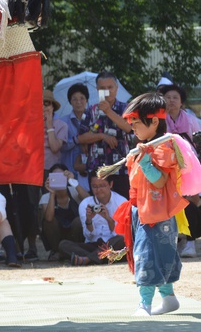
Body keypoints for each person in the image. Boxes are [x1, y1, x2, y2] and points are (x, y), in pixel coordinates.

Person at [119, 92, 188, 316]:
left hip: (157, 215)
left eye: (136, 123)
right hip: (143, 212)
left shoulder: (163, 147)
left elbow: (159, 180)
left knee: (147, 256)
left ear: (154, 121)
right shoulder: (145, 147)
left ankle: (144, 303)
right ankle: (168, 298)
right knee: (156, 255)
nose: (133, 128)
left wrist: (145, 160)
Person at [157, 82, 201, 258]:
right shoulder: (158, 121)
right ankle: (173, 240)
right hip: (167, 167)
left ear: (182, 102)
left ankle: (190, 241)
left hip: (189, 167)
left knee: (190, 201)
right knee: (170, 203)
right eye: (168, 98)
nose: (171, 101)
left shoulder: (192, 120)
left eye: (175, 97)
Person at [77, 71, 132, 199]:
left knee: (123, 207)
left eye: (110, 87)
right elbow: (80, 138)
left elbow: (129, 128)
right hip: (97, 170)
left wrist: (108, 111)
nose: (107, 91)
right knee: (98, 208)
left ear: (116, 88)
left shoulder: (126, 108)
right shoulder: (90, 110)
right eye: (102, 88)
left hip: (120, 168)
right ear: (97, 89)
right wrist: (102, 136)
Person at [58, 171, 126, 266]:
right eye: (95, 186)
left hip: (112, 244)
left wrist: (108, 219)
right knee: (63, 245)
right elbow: (89, 236)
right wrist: (89, 220)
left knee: (122, 240)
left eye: (102, 185)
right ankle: (97, 258)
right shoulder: (85, 204)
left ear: (110, 184)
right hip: (94, 245)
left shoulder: (121, 202)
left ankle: (88, 259)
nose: (99, 190)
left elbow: (121, 234)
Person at [39, 163, 88, 260]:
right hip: (57, 235)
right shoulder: (46, 197)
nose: (58, 179)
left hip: (73, 233)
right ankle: (56, 251)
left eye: (61, 176)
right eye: (55, 177)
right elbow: (48, 219)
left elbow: (88, 200)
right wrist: (52, 194)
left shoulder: (74, 191)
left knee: (78, 221)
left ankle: (74, 250)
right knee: (48, 222)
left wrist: (73, 181)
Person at [65, 83, 95, 193]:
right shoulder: (64, 122)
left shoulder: (95, 119)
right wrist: (78, 139)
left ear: (86, 100)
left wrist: (87, 141)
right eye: (74, 99)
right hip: (69, 168)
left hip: (90, 168)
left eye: (82, 98)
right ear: (70, 101)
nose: (78, 102)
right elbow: (62, 146)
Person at [43, 89, 71, 174]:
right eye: (40, 103)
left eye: (47, 104)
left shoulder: (62, 125)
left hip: (51, 169)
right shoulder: (31, 124)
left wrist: (49, 126)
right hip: (33, 168)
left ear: (52, 107)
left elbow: (55, 148)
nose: (43, 107)